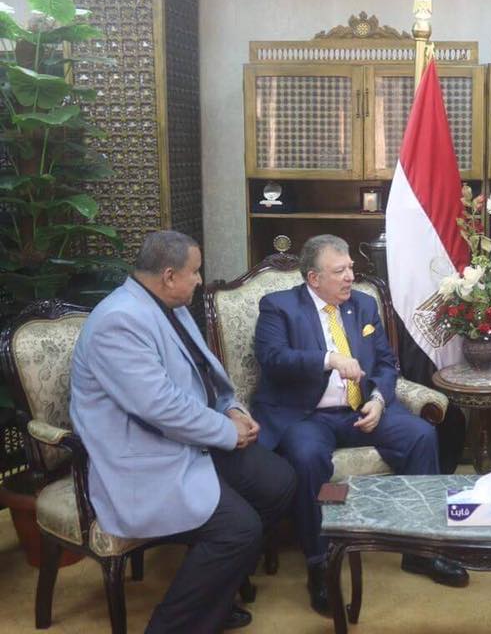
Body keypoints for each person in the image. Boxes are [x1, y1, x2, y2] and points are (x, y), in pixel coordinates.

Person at [70, 230, 296, 633]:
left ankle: (213, 589)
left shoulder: (167, 305)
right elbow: (161, 408)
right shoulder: (118, 321)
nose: (199, 280)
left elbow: (204, 374)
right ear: (169, 275)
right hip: (146, 457)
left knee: (278, 481)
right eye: (195, 272)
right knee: (238, 529)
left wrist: (232, 407)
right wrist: (227, 431)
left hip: (191, 439)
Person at [251, 234, 468, 614]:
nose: (351, 276)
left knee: (421, 436)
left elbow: (386, 364)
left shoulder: (363, 305)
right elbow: (273, 358)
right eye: (340, 271)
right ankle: (319, 563)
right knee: (307, 457)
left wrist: (379, 401)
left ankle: (421, 550)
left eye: (350, 267)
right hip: (307, 415)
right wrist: (329, 359)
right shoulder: (279, 306)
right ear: (314, 278)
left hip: (360, 410)